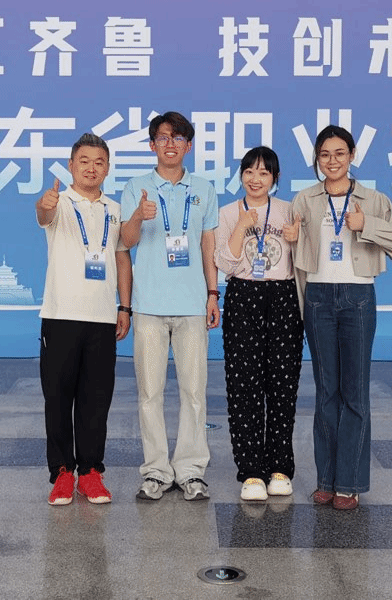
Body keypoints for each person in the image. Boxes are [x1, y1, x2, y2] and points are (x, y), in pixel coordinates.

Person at [283, 125, 392, 511]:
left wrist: (366, 226)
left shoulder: (373, 200)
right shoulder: (304, 199)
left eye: (339, 153)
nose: (332, 161)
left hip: (357, 297)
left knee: (354, 392)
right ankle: (326, 480)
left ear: (352, 155)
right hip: (318, 298)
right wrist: (292, 239)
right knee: (326, 390)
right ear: (317, 159)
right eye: (324, 154)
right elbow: (296, 259)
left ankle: (350, 483)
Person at [120, 111, 220, 502]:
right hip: (148, 304)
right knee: (150, 394)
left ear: (188, 146)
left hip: (192, 304)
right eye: (163, 137)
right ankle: (156, 471)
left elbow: (208, 244)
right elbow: (126, 241)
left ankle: (191, 471)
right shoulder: (136, 187)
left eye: (178, 138)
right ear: (152, 145)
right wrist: (137, 216)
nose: (170, 144)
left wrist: (213, 293)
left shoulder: (204, 189)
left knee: (194, 393)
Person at [36, 133, 133, 506]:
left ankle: (91, 472)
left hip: (102, 318)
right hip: (60, 315)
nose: (91, 168)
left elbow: (122, 257)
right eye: (84, 161)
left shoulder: (114, 208)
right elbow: (42, 216)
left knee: (96, 400)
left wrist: (124, 307)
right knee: (58, 398)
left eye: (99, 162)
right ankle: (62, 473)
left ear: (107, 168)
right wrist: (44, 204)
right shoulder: (59, 202)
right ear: (71, 165)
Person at [214, 146, 304, 502]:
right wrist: (241, 226)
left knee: (282, 385)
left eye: (264, 172)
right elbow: (225, 262)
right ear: (241, 175)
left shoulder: (289, 210)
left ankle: (280, 467)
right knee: (243, 386)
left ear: (275, 178)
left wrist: (298, 239)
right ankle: (251, 471)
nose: (256, 179)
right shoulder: (226, 212)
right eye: (249, 171)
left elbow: (304, 258)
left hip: (282, 298)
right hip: (243, 296)